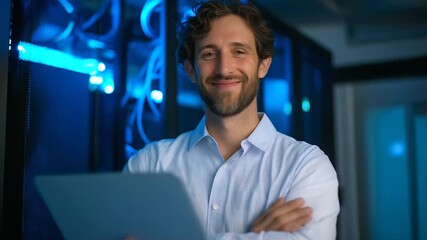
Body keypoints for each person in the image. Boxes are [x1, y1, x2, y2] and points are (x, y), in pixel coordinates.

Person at [123, 1, 339, 239]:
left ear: (263, 65)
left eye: (239, 51)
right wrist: (255, 236)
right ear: (190, 70)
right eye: (209, 54)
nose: (224, 68)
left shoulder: (306, 166)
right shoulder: (149, 165)